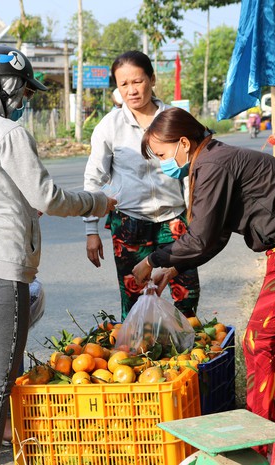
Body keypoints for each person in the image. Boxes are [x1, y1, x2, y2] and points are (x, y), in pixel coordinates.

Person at [0, 45, 116, 465]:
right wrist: (97, 202)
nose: (23, 103)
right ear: (5, 88)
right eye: (22, 93)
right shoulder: (8, 133)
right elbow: (47, 198)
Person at [132, 107, 275, 428]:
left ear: (183, 142)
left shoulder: (211, 165)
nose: (162, 163)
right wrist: (171, 270)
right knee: (260, 341)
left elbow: (200, 239)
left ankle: (262, 431)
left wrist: (152, 259)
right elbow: (214, 236)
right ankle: (263, 420)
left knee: (261, 340)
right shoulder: (210, 159)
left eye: (162, 153)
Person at [83, 50, 200, 320]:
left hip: (175, 221)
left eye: (138, 81)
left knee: (187, 294)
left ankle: (190, 355)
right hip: (129, 225)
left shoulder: (176, 119)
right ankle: (140, 357)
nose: (132, 90)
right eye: (124, 84)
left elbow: (196, 169)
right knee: (135, 301)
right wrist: (91, 231)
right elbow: (93, 179)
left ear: (152, 79)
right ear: (117, 88)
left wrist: (196, 215)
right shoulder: (109, 126)